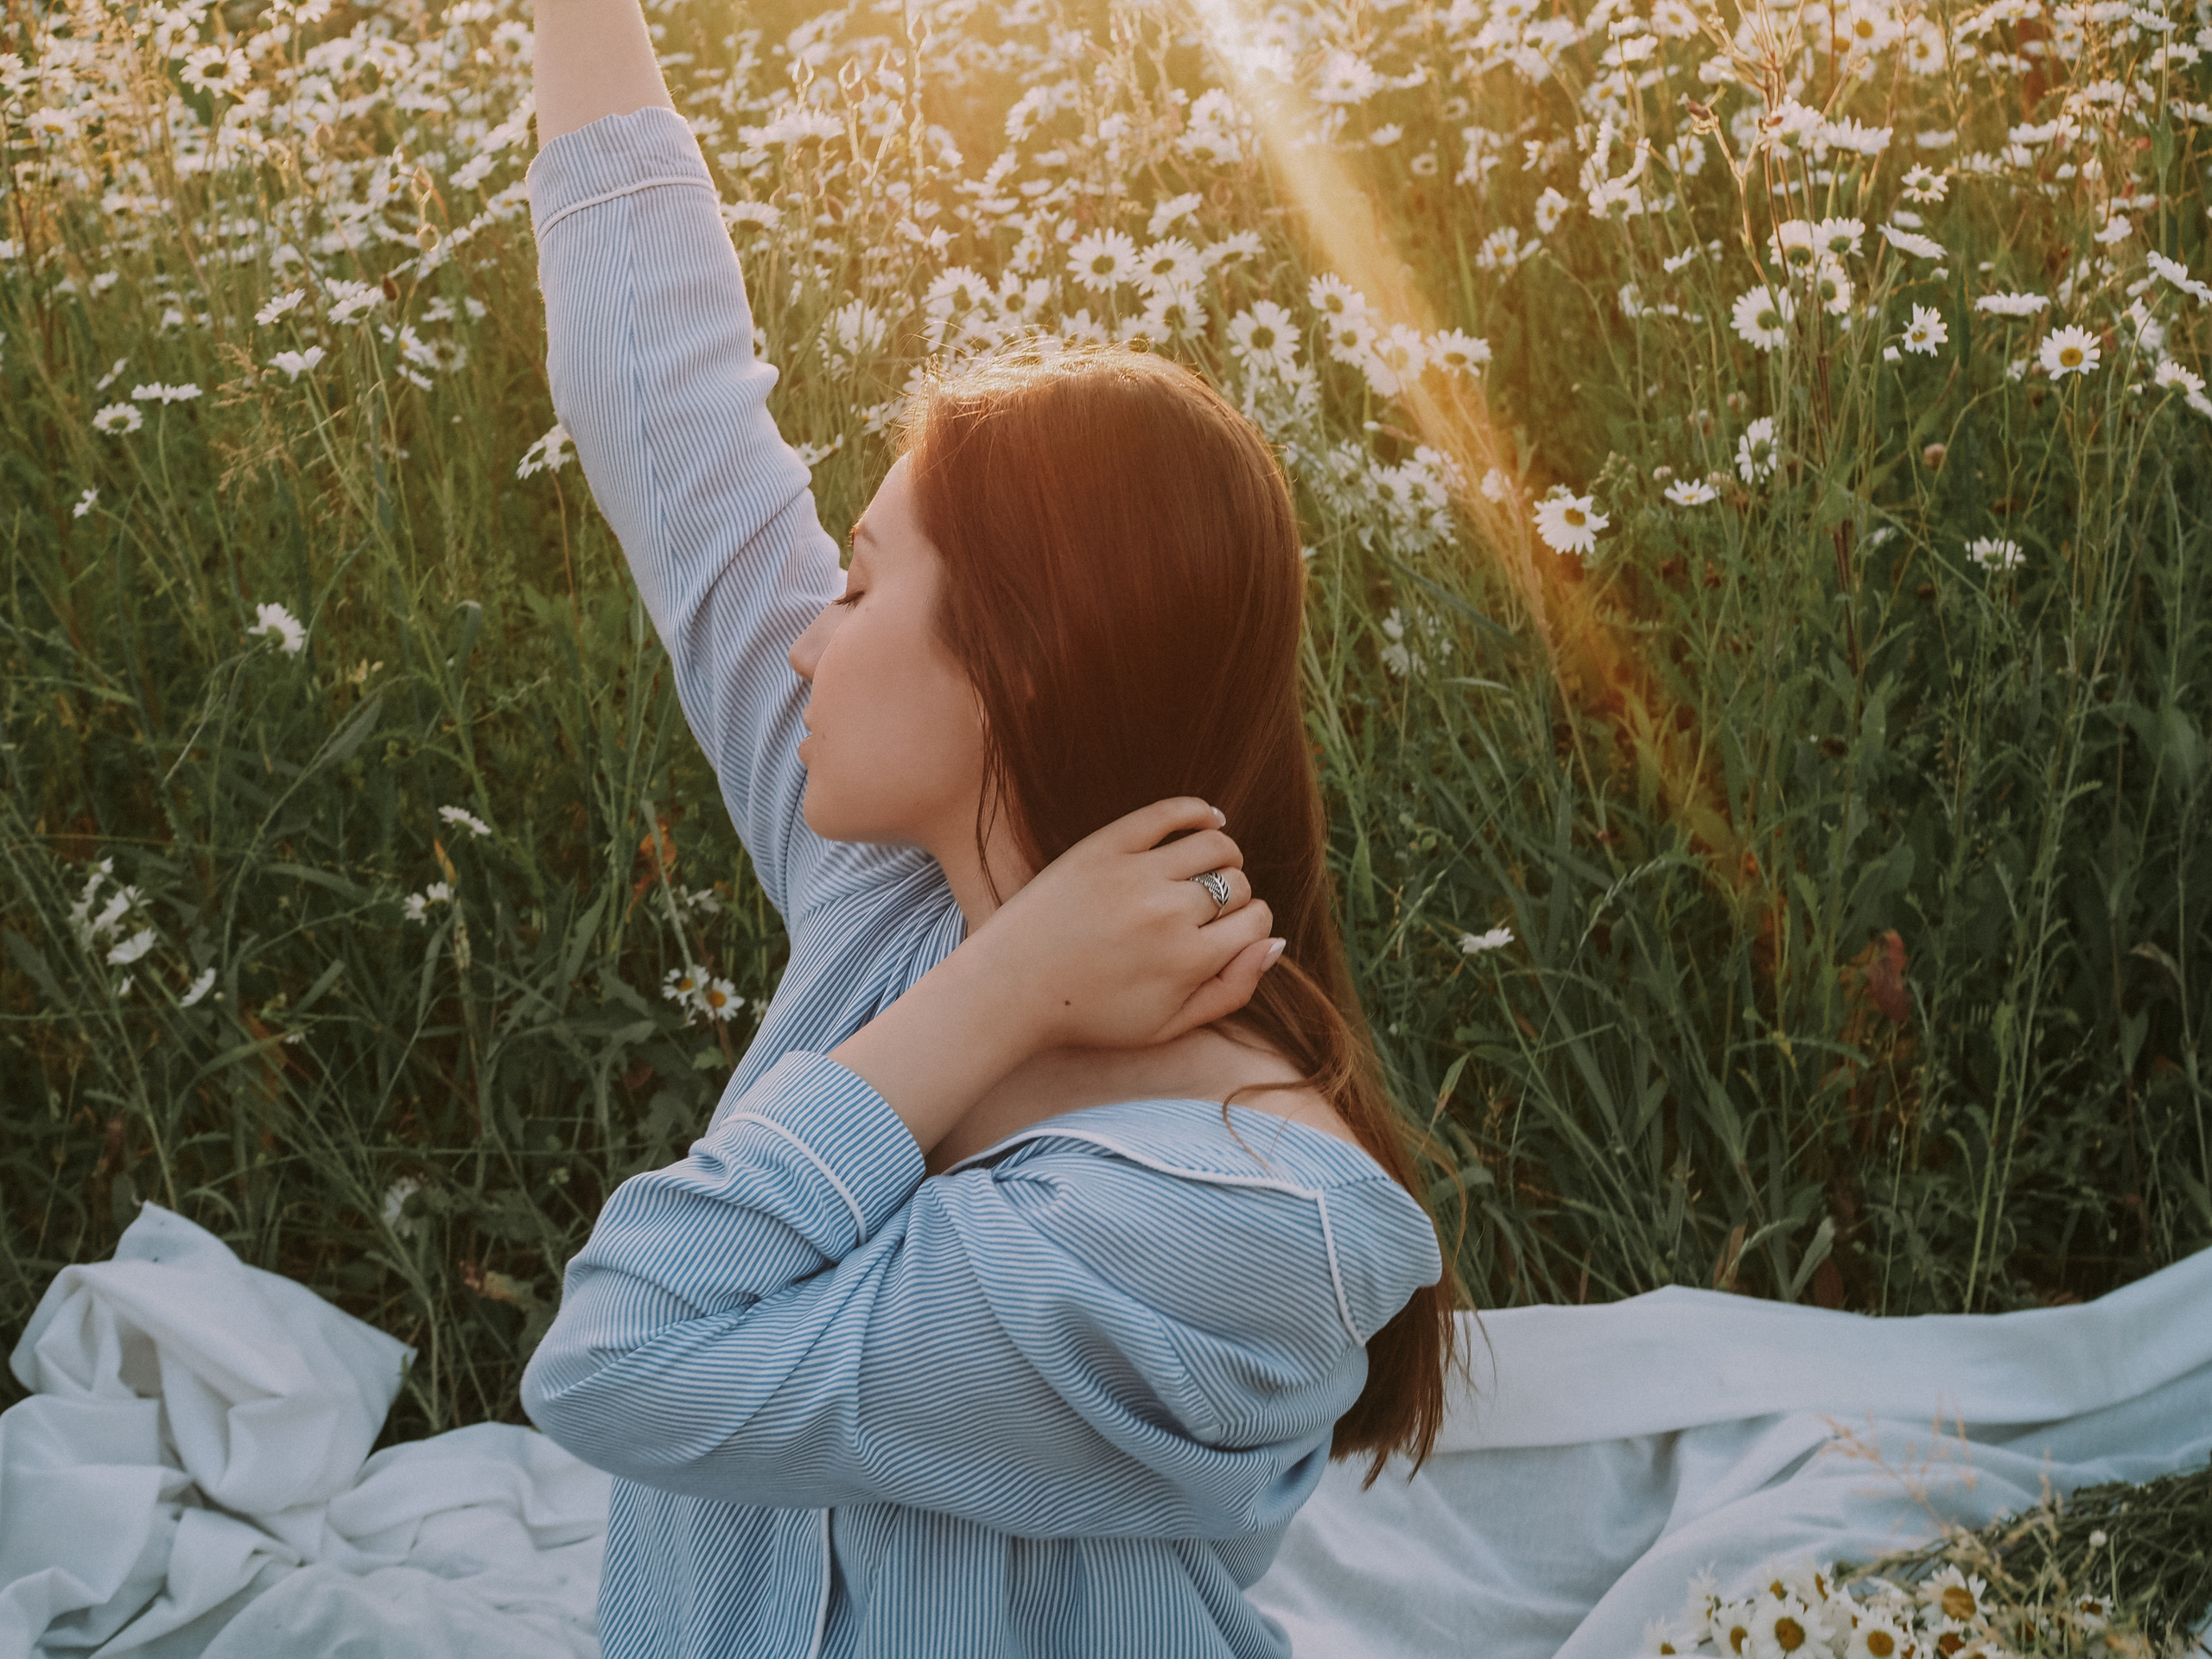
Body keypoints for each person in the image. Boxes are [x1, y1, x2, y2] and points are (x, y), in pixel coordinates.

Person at [519, 3, 1459, 1654]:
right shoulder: (893, 885)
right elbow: (668, 412)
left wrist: (1000, 996)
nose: (807, 631)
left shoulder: (1242, 1216)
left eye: (864, 579)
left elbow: (622, 1357)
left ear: (1013, 666)